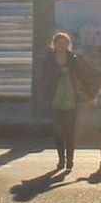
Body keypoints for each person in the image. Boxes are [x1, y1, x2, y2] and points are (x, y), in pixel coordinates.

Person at [37, 32, 93, 170]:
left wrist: (90, 95)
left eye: (64, 43)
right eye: (59, 43)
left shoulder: (72, 58)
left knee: (69, 131)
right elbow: (44, 77)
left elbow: (82, 76)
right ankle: (61, 159)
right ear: (54, 45)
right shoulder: (49, 59)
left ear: (68, 45)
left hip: (70, 99)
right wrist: (41, 94)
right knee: (58, 131)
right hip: (55, 98)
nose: (62, 46)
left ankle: (70, 159)